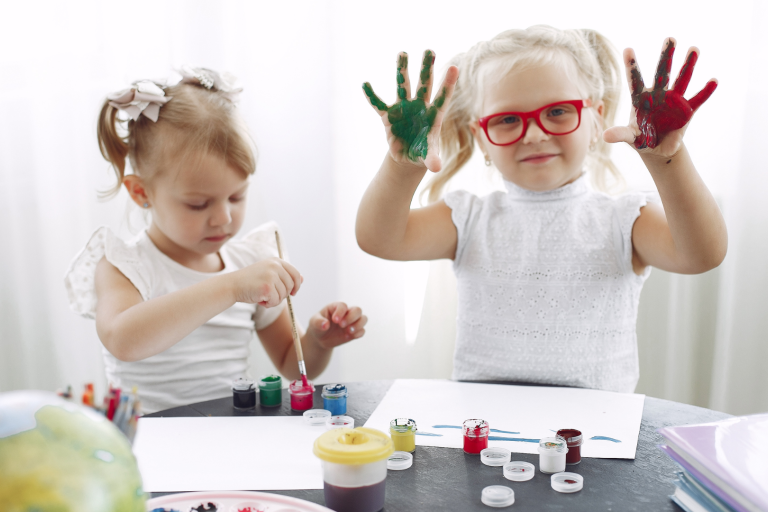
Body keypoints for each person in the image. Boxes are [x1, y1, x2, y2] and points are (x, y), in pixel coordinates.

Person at [356, 26, 726, 392]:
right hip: (484, 433)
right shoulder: (467, 218)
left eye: (558, 112)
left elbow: (702, 254)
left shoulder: (623, 220)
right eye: (507, 119)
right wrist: (403, 165)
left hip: (595, 434)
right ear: (482, 138)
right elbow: (379, 239)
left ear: (595, 120)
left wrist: (668, 160)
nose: (534, 133)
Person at [66, 67, 367, 413]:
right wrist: (230, 287)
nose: (224, 217)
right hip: (151, 446)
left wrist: (318, 341)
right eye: (198, 204)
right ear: (140, 192)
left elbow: (291, 363)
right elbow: (123, 340)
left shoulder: (249, 262)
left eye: (237, 197)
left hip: (229, 438)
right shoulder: (124, 266)